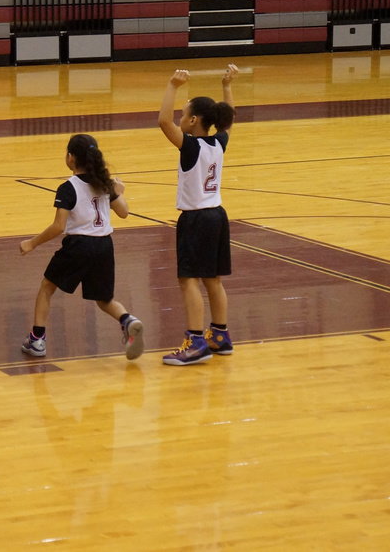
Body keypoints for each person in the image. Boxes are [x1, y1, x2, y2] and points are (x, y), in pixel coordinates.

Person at [18, 134, 144, 359]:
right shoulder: (104, 183)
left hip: (79, 245)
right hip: (104, 245)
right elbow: (124, 213)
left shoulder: (68, 187)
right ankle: (128, 320)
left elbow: (59, 226)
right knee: (104, 300)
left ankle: (37, 340)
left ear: (71, 158)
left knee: (47, 288)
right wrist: (118, 192)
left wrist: (32, 243)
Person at [157, 64, 239, 365]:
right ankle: (219, 335)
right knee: (213, 280)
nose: (180, 117)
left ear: (193, 121)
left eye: (184, 113)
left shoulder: (190, 147)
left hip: (196, 219)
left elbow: (163, 121)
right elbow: (228, 120)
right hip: (218, 216)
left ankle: (195, 342)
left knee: (188, 279)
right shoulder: (218, 142)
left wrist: (173, 85)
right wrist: (227, 86)